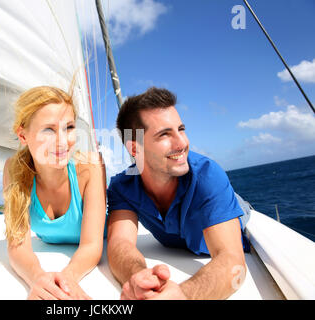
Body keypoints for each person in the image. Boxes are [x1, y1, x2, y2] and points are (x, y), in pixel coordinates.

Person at [106, 87, 251, 300]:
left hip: (233, 208)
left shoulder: (208, 175)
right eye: (164, 134)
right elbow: (120, 243)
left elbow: (231, 259)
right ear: (135, 149)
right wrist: (140, 278)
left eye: (181, 129)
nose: (182, 143)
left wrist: (182, 295)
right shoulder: (122, 187)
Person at [2, 86, 106, 300]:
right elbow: (17, 245)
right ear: (23, 135)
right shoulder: (13, 169)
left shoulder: (91, 166)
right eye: (48, 130)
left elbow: (92, 245)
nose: (63, 141)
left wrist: (66, 281)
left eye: (69, 127)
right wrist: (38, 279)